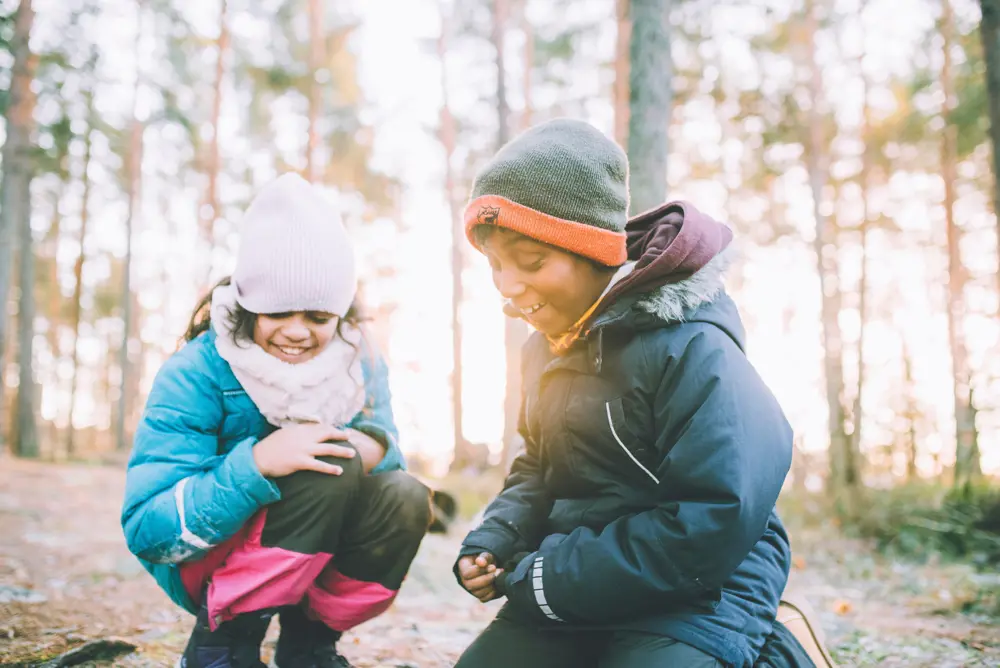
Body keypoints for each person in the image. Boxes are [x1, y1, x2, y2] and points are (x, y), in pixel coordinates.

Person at [453, 119, 815, 667]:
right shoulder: (542, 351)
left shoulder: (693, 346)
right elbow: (537, 469)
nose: (508, 285)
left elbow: (715, 516)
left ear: (594, 249)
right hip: (581, 584)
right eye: (496, 266)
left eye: (529, 262)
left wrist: (547, 574)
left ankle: (774, 652)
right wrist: (497, 538)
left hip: (700, 591)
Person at [121, 173, 431, 668]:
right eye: (278, 312)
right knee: (321, 470)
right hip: (206, 559)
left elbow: (388, 447)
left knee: (404, 495)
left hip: (310, 550)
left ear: (341, 313)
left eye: (318, 317)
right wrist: (258, 464)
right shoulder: (198, 370)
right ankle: (222, 647)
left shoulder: (358, 361)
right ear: (248, 303)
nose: (297, 332)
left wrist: (369, 445)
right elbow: (148, 530)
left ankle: (309, 644)